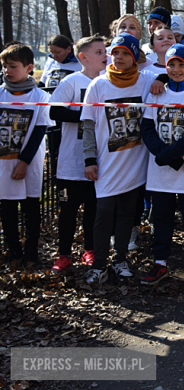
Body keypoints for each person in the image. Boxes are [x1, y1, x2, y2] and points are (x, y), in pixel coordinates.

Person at [81, 33, 162, 285]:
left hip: (134, 162)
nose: (119, 57)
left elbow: (168, 75)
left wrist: (161, 79)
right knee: (104, 213)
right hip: (106, 164)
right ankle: (99, 265)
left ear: (135, 55)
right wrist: (89, 159)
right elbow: (87, 124)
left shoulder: (145, 80)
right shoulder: (99, 85)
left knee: (128, 213)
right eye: (115, 52)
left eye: (125, 53)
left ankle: (120, 260)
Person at [140, 45, 184, 287]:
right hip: (160, 171)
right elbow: (147, 128)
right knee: (161, 219)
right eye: (172, 64)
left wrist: (172, 155)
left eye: (182, 64)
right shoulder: (156, 93)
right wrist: (164, 156)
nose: (176, 69)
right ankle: (160, 262)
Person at [49, 35, 107, 273]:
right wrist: (86, 116)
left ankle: (90, 250)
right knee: (68, 211)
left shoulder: (107, 82)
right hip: (70, 162)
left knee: (93, 210)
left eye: (105, 51)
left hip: (97, 161)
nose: (105, 56)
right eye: (99, 52)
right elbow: (54, 112)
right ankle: (63, 255)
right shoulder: (72, 82)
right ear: (83, 57)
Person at [0, 44, 53, 270]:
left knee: (31, 209)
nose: (7, 71)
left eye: (13, 66)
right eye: (4, 66)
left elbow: (40, 130)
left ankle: (32, 253)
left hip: (28, 164)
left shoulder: (40, 96)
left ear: (29, 68)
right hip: (3, 163)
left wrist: (24, 162)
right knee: (8, 210)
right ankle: (14, 252)